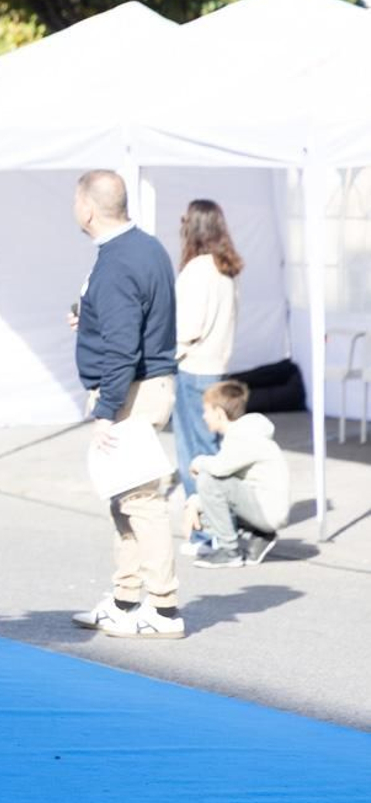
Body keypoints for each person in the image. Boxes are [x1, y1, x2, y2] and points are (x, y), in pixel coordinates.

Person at [67, 170, 183, 639]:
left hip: (133, 390)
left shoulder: (117, 262)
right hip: (143, 384)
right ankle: (125, 599)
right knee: (127, 498)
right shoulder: (144, 247)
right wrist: (86, 318)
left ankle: (164, 607)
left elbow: (123, 347)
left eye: (75, 201)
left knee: (140, 498)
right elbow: (124, 321)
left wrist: (105, 410)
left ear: (88, 208)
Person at [173, 199, 242, 557]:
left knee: (194, 457)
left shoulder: (197, 270)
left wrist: (172, 351)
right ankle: (223, 527)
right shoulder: (225, 269)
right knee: (216, 454)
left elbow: (188, 327)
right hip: (217, 368)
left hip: (193, 370)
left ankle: (206, 533)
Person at [185, 380, 289, 568]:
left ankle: (229, 551)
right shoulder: (243, 435)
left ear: (219, 413)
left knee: (208, 479)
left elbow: (217, 470)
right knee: (208, 493)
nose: (204, 416)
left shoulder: (244, 437)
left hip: (267, 510)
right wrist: (195, 503)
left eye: (207, 410)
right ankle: (261, 535)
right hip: (265, 507)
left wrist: (198, 462)